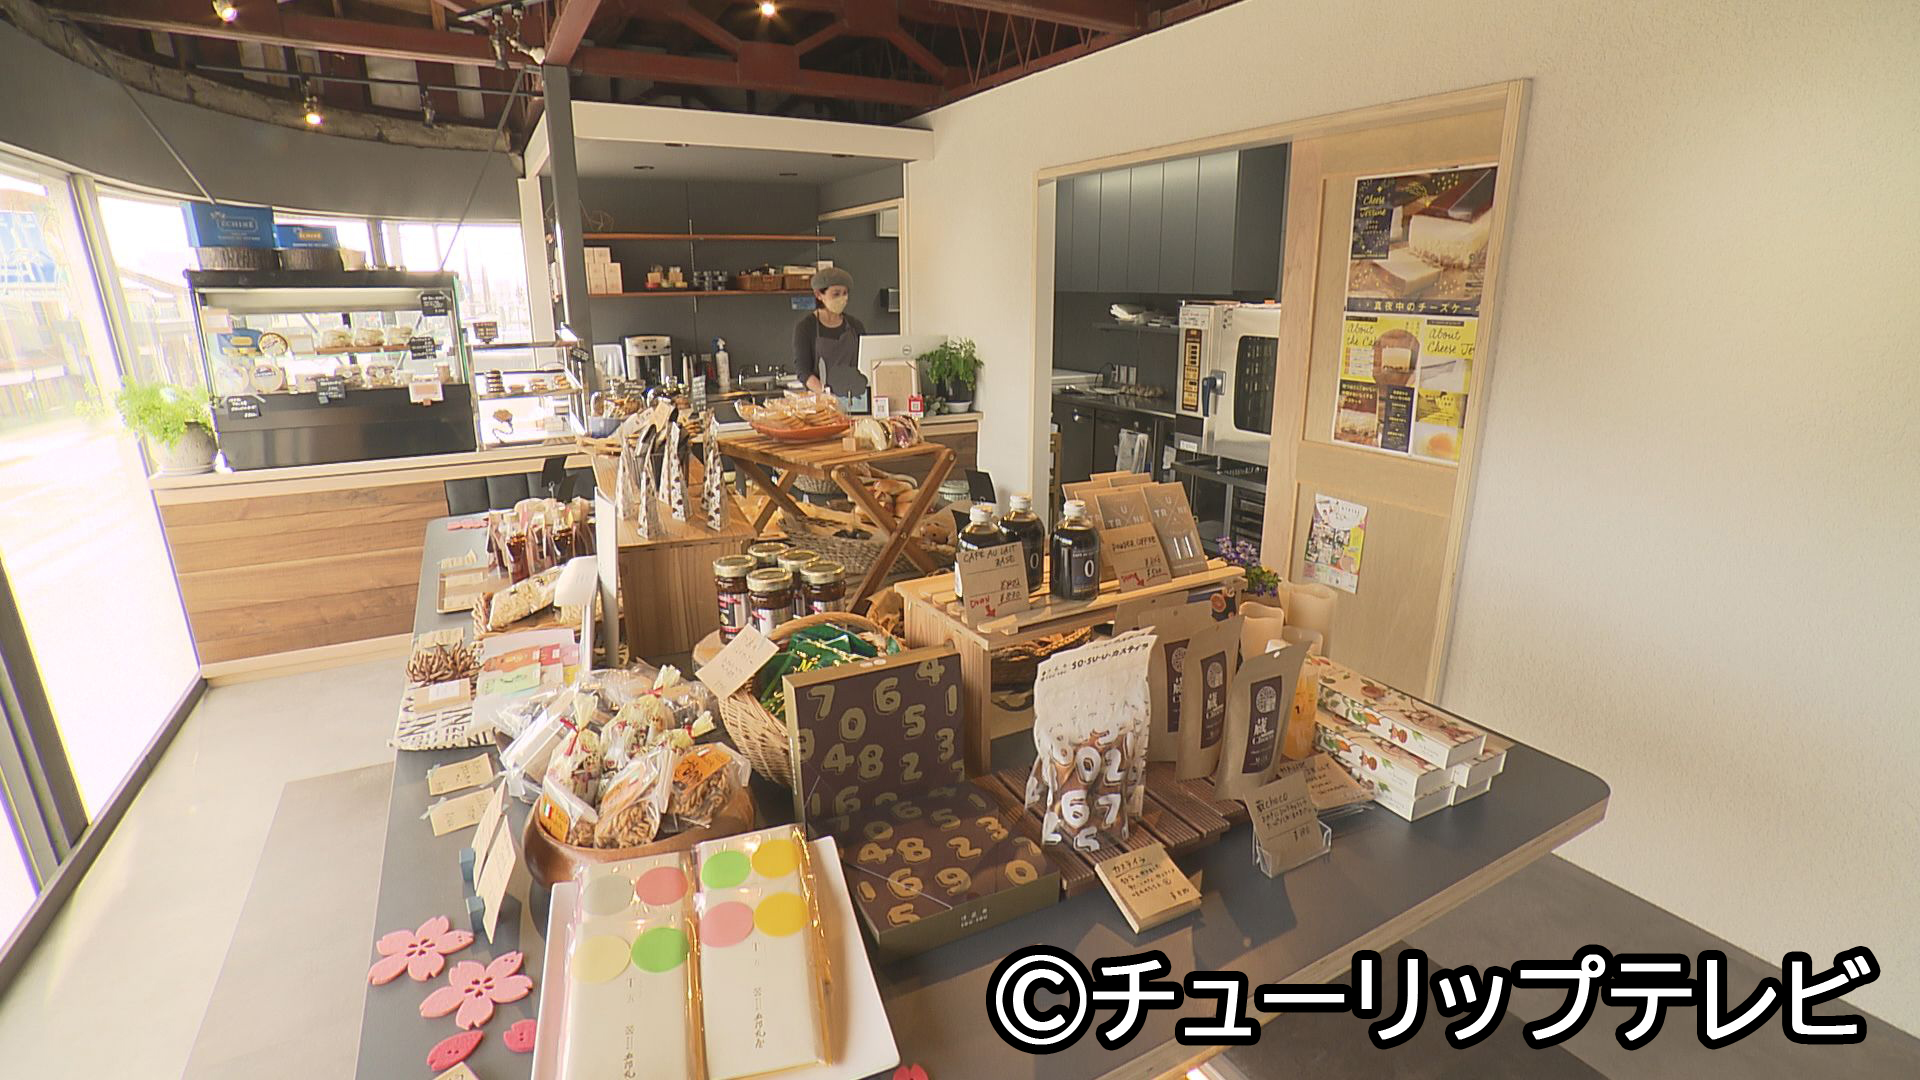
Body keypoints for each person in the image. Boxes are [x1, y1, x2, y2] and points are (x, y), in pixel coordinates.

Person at [791, 266, 866, 401]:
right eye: (836, 294)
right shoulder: (806, 327)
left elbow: (866, 363)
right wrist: (826, 394)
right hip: (821, 401)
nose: (842, 298)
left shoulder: (855, 326)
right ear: (819, 295)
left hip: (856, 399)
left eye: (845, 293)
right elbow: (803, 371)